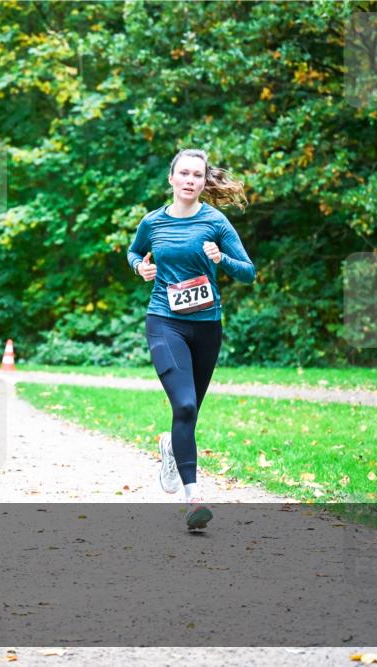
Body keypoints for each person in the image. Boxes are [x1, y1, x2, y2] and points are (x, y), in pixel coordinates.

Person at [126, 148, 255, 531]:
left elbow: (248, 272)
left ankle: (170, 445)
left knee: (190, 412)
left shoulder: (216, 223)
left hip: (206, 327)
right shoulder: (153, 222)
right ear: (171, 178)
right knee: (183, 405)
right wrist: (140, 266)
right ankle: (193, 498)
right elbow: (134, 251)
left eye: (197, 175)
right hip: (164, 321)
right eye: (183, 173)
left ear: (203, 181)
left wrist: (221, 260)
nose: (190, 180)